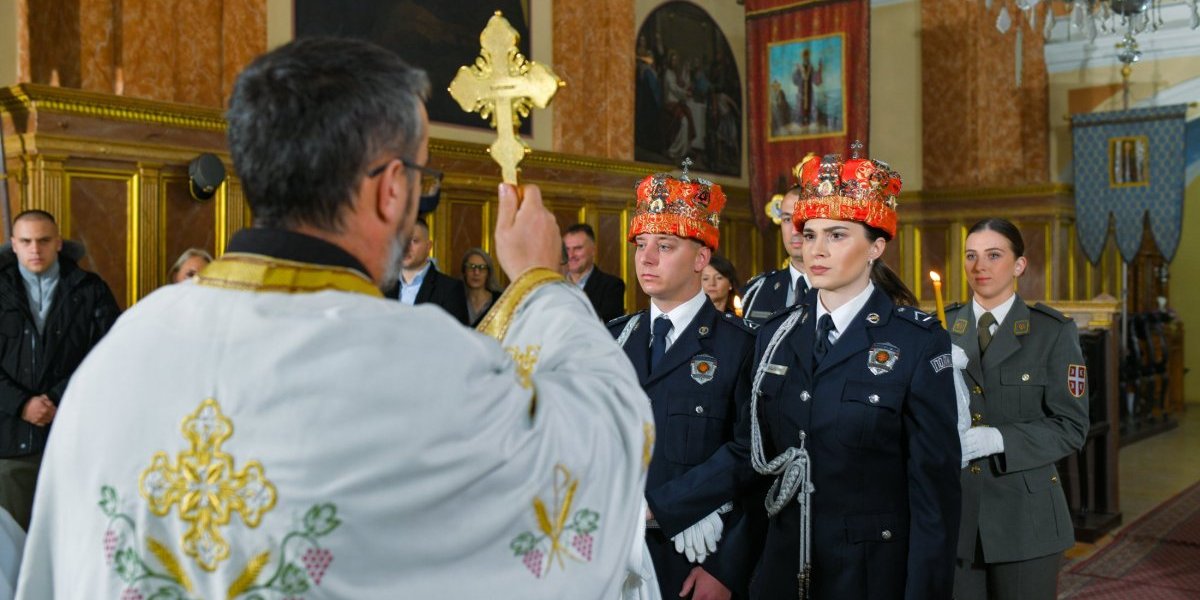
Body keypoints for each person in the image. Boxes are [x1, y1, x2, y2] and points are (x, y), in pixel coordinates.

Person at [16, 37, 652, 599]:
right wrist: (542, 284)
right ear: (392, 188)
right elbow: (600, 445)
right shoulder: (418, 364)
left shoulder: (126, 349)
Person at [746, 151, 960, 599]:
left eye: (837, 235)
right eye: (809, 235)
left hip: (867, 574)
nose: (815, 250)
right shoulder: (775, 334)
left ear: (876, 247)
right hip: (782, 568)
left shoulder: (916, 343)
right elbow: (756, 461)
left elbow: (933, 494)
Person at [608, 171, 759, 600]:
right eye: (641, 245)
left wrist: (727, 569)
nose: (646, 259)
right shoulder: (614, 338)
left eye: (665, 246)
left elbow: (754, 459)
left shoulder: (741, 346)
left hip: (694, 560)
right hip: (615, 553)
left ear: (700, 259)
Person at [950, 218, 1089, 600]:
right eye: (971, 256)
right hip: (956, 515)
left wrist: (999, 438)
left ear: (1018, 266)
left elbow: (1071, 426)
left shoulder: (1051, 333)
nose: (980, 267)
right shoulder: (940, 328)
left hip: (1025, 518)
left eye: (994, 255)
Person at [0, 210, 120, 530]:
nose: (34, 249)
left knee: (70, 541)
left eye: (43, 240)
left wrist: (55, 399)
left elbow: (108, 355)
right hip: (10, 447)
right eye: (26, 241)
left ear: (59, 243)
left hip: (71, 439)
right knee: (11, 553)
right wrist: (23, 405)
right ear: (14, 244)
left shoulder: (90, 289)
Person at [741, 173, 812, 327]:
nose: (794, 231)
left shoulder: (843, 290)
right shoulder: (755, 291)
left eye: (802, 220)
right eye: (787, 219)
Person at [384, 216, 471, 325]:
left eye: (414, 241)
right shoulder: (383, 287)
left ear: (428, 246)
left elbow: (457, 337)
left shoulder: (450, 289)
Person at [564, 223, 626, 322]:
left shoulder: (612, 286)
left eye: (578, 248)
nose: (571, 255)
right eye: (567, 249)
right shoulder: (553, 285)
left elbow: (610, 327)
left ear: (593, 250)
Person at [461, 247, 502, 327]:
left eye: (482, 268)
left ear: (488, 273)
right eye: (471, 266)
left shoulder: (500, 301)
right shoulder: (454, 301)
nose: (476, 272)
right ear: (464, 271)